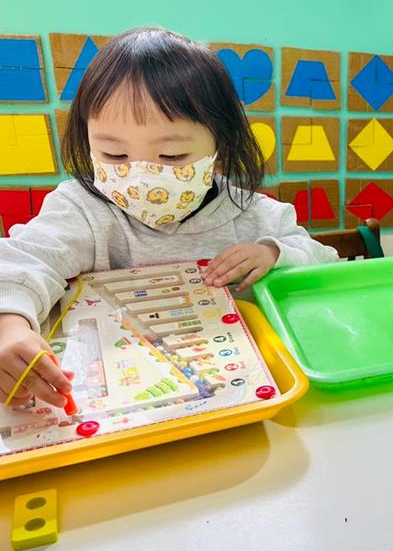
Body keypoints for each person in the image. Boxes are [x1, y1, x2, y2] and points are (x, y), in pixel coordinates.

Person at [0, 27, 338, 408]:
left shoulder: (257, 216)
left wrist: (275, 254)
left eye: (171, 157)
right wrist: (10, 326)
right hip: (125, 404)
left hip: (242, 399)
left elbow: (326, 264)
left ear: (221, 148)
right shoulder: (82, 210)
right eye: (114, 155)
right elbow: (21, 262)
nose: (141, 177)